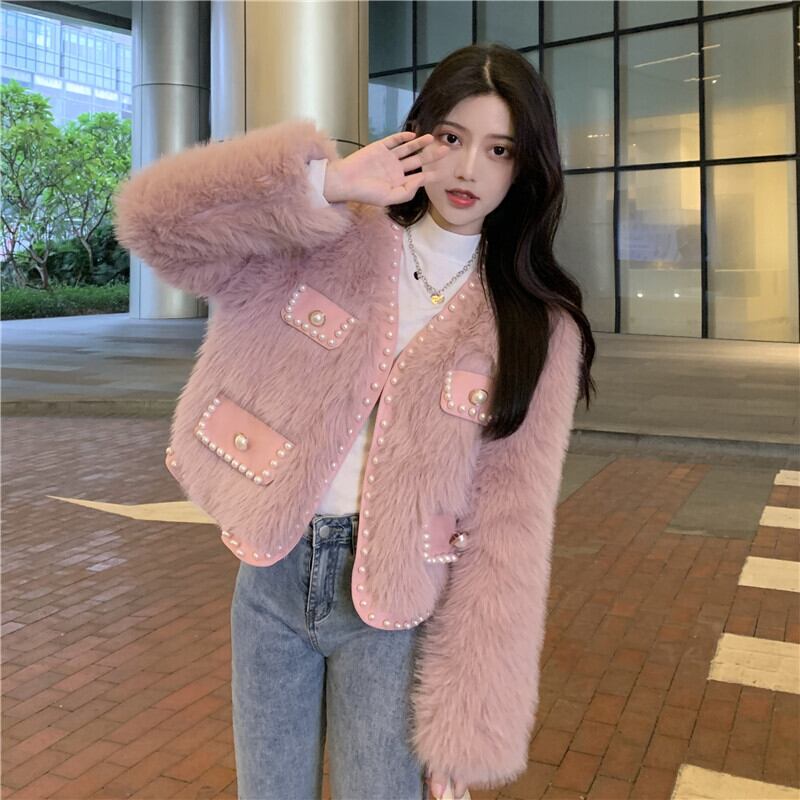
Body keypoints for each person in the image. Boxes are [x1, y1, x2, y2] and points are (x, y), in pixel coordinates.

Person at [113, 41, 596, 800]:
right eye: (452, 137)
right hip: (273, 574)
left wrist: (465, 729)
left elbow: (511, 530)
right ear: (417, 135)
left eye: (499, 149)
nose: (469, 169)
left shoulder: (535, 324)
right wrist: (326, 182)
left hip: (396, 610)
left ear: (524, 167)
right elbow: (154, 224)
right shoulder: (329, 234)